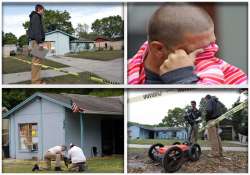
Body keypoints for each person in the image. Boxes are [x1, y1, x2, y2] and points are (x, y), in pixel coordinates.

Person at [128, 3, 247, 84]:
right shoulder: (122, 76)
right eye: (198, 50)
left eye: (212, 44)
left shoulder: (224, 74)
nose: (211, 52)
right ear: (158, 49)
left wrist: (182, 79)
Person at [27, 4, 45, 84]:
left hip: (34, 41)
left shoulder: (34, 17)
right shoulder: (36, 16)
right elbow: (37, 30)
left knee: (36, 61)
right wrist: (40, 42)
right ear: (39, 9)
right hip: (37, 41)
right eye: (43, 10)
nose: (43, 12)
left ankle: (36, 80)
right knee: (37, 62)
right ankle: (36, 82)